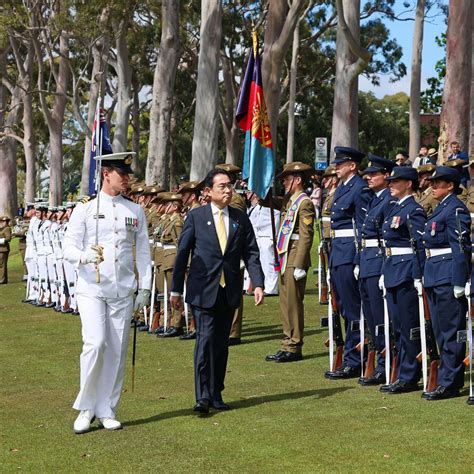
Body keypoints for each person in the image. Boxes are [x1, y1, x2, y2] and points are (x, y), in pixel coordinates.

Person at [63, 152, 152, 434]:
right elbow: (68, 246)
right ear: (106, 174)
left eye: (127, 174)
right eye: (121, 173)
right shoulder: (85, 209)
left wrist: (146, 286)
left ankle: (107, 408)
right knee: (96, 343)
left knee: (116, 350)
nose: (126, 178)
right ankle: (87, 407)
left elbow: (143, 251)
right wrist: (83, 257)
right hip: (92, 287)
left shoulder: (134, 211)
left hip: (122, 289)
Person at [170, 168, 264, 414]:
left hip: (228, 290)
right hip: (203, 289)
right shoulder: (196, 217)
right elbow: (182, 256)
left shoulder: (239, 218)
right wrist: (176, 290)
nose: (227, 190)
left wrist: (258, 282)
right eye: (222, 186)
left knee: (221, 344)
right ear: (208, 191)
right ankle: (202, 396)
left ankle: (216, 392)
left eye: (229, 185)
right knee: (205, 341)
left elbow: (251, 252)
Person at [422, 167, 471, 400]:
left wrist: (459, 280)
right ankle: (447, 377)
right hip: (434, 274)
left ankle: (450, 382)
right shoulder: (441, 208)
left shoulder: (456, 209)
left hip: (448, 275)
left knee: (451, 331)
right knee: (440, 331)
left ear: (450, 185)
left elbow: (461, 246)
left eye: (438, 182)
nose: (433, 186)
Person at [325, 147, 373, 379]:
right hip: (338, 253)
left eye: (341, 163)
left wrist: (358, 259)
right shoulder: (343, 187)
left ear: (352, 166)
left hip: (349, 253)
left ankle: (356, 359)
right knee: (343, 307)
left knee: (353, 310)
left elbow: (363, 227)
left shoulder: (360, 189)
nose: (336, 166)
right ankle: (351, 356)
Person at [380, 166, 426, 394]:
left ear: (408, 184)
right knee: (397, 326)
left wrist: (418, 275)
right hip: (392, 271)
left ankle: (409, 375)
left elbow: (418, 246)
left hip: (406, 272)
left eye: (395, 181)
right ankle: (402, 372)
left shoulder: (414, 210)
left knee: (408, 327)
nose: (390, 185)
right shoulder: (394, 208)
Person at [265, 162, 315, 363]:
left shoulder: (304, 203)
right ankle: (287, 342)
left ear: (297, 180)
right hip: (285, 254)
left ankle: (294, 345)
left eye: (286, 179)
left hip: (294, 256)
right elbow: (268, 202)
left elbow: (306, 236)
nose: (284, 182)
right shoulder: (288, 200)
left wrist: (300, 264)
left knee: (293, 303)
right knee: (285, 302)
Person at [357, 155, 396, 385]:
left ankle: (385, 364)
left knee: (381, 319)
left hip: (378, 261)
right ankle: (380, 361)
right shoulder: (373, 200)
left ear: (387, 176)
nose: (369, 178)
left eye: (374, 174)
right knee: (371, 318)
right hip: (366, 260)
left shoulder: (388, 201)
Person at [0, 216, 12, 284]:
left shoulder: (7, 229)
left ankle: (2, 280)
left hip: (3, 249)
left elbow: (8, 238)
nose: (3, 223)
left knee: (2, 265)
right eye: (2, 221)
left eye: (5, 221)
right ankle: (3, 279)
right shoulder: (1, 229)